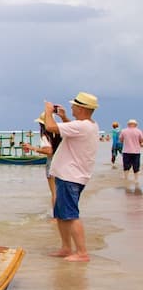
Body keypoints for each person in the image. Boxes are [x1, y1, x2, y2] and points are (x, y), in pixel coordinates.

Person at [43, 91, 99, 263]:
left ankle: (82, 252)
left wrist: (47, 112)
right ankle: (66, 247)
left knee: (71, 215)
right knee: (61, 215)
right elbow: (70, 130)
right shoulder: (89, 125)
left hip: (70, 176)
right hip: (70, 175)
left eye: (74, 105)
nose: (72, 107)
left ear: (81, 108)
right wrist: (64, 117)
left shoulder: (82, 126)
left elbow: (50, 128)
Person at [22, 112, 60, 211]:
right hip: (62, 162)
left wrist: (32, 148)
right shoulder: (59, 133)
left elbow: (49, 151)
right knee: (61, 192)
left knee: (54, 193)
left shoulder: (45, 136)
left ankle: (56, 217)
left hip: (52, 163)